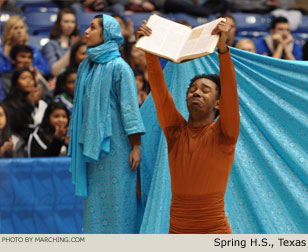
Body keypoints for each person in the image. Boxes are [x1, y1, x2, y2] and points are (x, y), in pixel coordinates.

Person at [136, 19, 240, 233]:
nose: (196, 92)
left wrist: (223, 50)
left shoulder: (225, 134)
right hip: (178, 230)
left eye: (204, 89)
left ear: (219, 103)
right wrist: (149, 49)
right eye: (192, 88)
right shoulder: (175, 132)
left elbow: (230, 90)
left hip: (215, 231)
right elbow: (159, 90)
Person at [68, 14, 145, 233]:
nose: (86, 31)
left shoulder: (120, 68)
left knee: (119, 208)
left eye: (93, 28)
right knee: (95, 210)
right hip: (93, 151)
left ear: (107, 33)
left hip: (118, 151)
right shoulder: (87, 66)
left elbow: (130, 109)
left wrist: (137, 146)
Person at [42, 8, 81, 76]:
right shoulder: (50, 45)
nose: (70, 25)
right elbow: (54, 71)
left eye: (73, 22)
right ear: (59, 23)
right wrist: (72, 49)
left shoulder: (79, 42)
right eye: (66, 21)